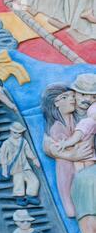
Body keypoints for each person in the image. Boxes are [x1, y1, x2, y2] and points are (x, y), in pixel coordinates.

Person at [41, 83, 93, 217]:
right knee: (63, 162)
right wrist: (72, 156)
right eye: (65, 97)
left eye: (72, 96)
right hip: (76, 162)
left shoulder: (77, 116)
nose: (72, 99)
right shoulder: (56, 126)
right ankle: (69, 204)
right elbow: (51, 146)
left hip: (86, 159)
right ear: (56, 103)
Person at [0, 122, 41, 207]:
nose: (18, 134)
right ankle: (19, 197)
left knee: (34, 180)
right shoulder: (7, 143)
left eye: (20, 133)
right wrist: (4, 168)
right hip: (15, 167)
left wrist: (34, 159)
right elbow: (3, 156)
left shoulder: (23, 141)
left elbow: (28, 151)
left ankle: (31, 196)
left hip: (25, 165)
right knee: (18, 182)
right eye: (15, 132)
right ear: (11, 132)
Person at [56, 101, 96, 172]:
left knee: (83, 175)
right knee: (86, 174)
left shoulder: (90, 122)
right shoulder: (89, 122)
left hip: (85, 151)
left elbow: (78, 137)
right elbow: (77, 136)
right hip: (85, 152)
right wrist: (66, 144)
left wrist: (66, 143)